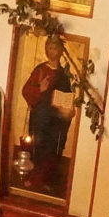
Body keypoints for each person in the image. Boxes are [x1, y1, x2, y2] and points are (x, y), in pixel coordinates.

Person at [21, 37, 73, 190]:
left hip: (56, 120)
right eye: (50, 48)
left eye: (55, 48)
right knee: (37, 146)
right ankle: (32, 178)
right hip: (40, 117)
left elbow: (67, 96)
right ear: (46, 49)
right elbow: (26, 91)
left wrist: (68, 110)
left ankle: (46, 180)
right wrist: (40, 89)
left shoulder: (64, 74)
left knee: (51, 148)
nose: (52, 51)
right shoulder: (40, 70)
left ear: (61, 51)